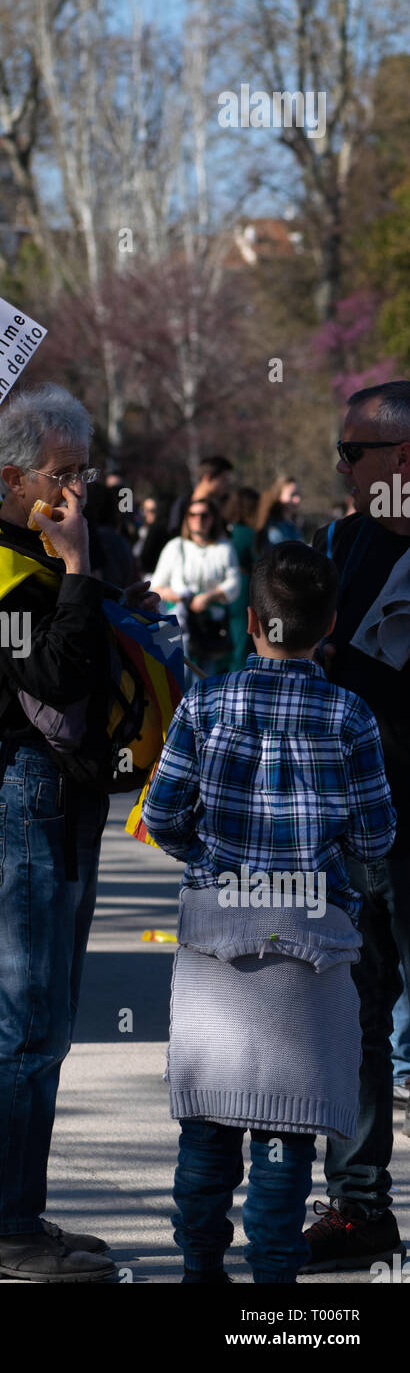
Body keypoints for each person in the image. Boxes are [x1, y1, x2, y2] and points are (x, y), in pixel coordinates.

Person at [0, 383, 158, 1282]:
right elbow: (61, 676)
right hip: (28, 797)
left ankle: (16, 1211)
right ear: (16, 474)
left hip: (64, 799)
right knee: (28, 1026)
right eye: (63, 475)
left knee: (51, 1026)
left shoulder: (42, 547)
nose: (78, 491)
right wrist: (76, 571)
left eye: (86, 472)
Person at [142, 542, 396, 1283]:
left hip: (218, 936)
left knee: (207, 1129)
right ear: (333, 624)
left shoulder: (205, 702)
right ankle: (276, 1286)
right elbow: (377, 835)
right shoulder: (350, 714)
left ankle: (200, 1269)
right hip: (311, 946)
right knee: (286, 1134)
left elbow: (161, 815)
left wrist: (208, 855)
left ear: (251, 619)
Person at [302, 380, 410, 1270]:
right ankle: (358, 1209)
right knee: (355, 1006)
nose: (343, 469)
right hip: (360, 828)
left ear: (403, 460)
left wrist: (359, 677)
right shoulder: (345, 543)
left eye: (354, 453)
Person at [150, 497, 242, 676]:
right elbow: (156, 585)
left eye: (204, 515)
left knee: (208, 678)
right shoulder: (175, 547)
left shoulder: (224, 548)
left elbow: (234, 584)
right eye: (192, 515)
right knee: (182, 677)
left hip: (211, 627)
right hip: (181, 626)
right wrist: (180, 596)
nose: (198, 519)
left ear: (212, 518)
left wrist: (209, 597)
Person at [224, 486, 259, 670]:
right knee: (241, 642)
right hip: (244, 590)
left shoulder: (228, 530)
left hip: (229, 590)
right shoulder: (247, 533)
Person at [166, 454, 234, 538]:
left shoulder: (220, 506)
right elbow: (174, 534)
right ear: (208, 478)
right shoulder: (182, 505)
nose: (227, 484)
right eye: (224, 479)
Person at [254, 476, 302, 553]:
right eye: (292, 495)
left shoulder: (293, 525)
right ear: (278, 496)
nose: (297, 500)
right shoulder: (273, 527)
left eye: (298, 494)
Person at [133, 496, 169, 579]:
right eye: (145, 510)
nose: (148, 514)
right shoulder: (138, 530)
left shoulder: (159, 531)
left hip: (150, 575)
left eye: (152, 511)